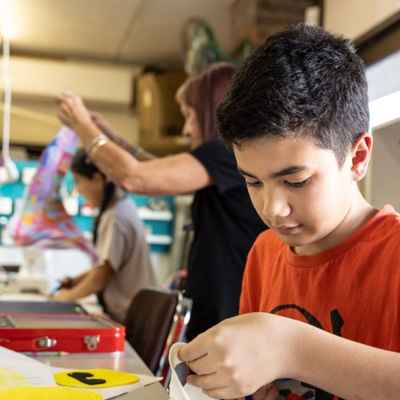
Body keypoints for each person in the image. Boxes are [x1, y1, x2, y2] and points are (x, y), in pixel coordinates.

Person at [178, 24, 400, 400]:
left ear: (358, 156)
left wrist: (293, 349)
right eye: (253, 182)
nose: (272, 209)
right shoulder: (265, 254)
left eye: (295, 181)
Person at [57, 63, 266, 340]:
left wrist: (82, 126)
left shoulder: (225, 153)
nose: (188, 128)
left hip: (227, 311)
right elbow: (155, 168)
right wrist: (109, 136)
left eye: (190, 116)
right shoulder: (220, 162)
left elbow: (135, 177)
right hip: (218, 308)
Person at [52, 149, 156, 323]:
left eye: (78, 181)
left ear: (98, 179)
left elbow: (100, 277)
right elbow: (105, 265)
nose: (77, 190)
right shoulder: (121, 206)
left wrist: (63, 298)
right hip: (135, 313)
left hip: (131, 319)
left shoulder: (115, 216)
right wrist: (73, 282)